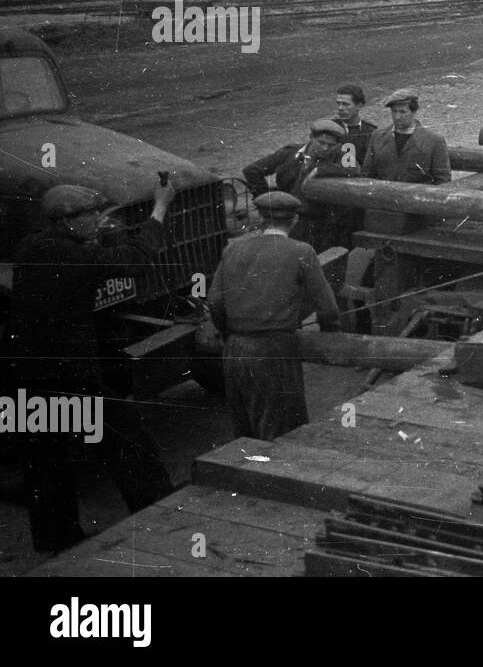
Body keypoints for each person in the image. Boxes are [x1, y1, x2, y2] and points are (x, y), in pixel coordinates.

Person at [6, 182, 176, 552]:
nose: (98, 220)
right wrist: (160, 209)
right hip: (68, 375)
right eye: (91, 215)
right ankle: (160, 522)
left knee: (46, 460)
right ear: (66, 220)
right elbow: (134, 258)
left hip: (26, 373)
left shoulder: (32, 245)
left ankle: (55, 538)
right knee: (128, 440)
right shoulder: (66, 256)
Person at [209, 191, 340, 440]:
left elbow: (215, 301)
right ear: (294, 220)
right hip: (273, 351)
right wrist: (331, 337)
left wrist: (231, 334)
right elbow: (328, 309)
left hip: (235, 350)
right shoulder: (301, 251)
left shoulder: (234, 249)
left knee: (244, 432)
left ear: (260, 217)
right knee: (281, 433)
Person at [242, 119, 353, 251]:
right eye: (321, 142)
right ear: (311, 138)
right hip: (286, 217)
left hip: (318, 221)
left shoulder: (341, 155)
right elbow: (252, 170)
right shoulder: (291, 152)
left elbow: (353, 171)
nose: (325, 148)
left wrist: (320, 169)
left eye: (331, 145)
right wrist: (268, 201)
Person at [362, 88, 452, 184]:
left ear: (414, 112)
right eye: (394, 111)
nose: (397, 117)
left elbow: (443, 180)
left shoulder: (434, 141)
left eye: (403, 112)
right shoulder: (378, 137)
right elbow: (368, 174)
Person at [332, 84, 377, 167]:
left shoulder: (373, 132)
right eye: (338, 103)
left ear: (359, 106)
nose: (340, 108)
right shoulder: (329, 129)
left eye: (345, 104)